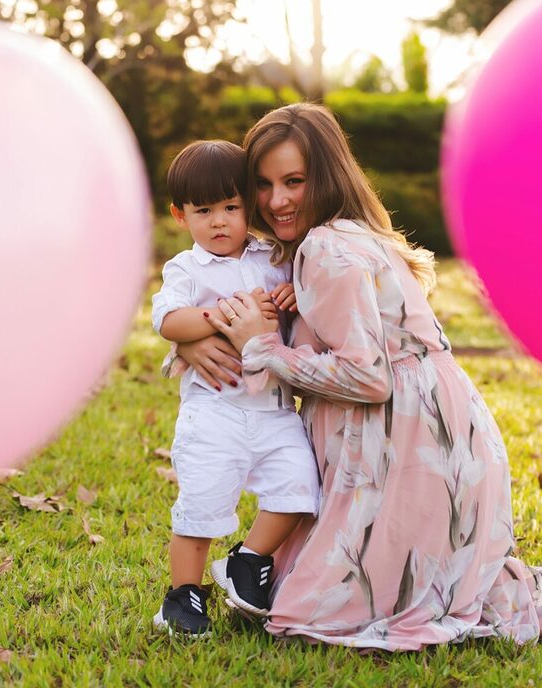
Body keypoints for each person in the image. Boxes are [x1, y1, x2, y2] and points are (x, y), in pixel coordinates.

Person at [181, 103, 542, 651]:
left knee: (304, 613)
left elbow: (369, 377)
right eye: (263, 185)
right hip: (445, 434)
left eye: (294, 181)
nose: (276, 201)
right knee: (290, 589)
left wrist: (263, 348)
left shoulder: (326, 247)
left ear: (326, 176)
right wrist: (191, 338)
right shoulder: (343, 236)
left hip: (408, 445)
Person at [151, 140, 320, 637]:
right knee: (202, 506)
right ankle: (183, 596)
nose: (219, 222)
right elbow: (168, 321)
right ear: (180, 215)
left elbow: (298, 301)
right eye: (204, 211)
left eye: (230, 207)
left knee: (299, 489)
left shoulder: (274, 258)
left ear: (249, 206)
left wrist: (291, 294)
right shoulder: (187, 269)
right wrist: (220, 315)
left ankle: (248, 559)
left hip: (274, 409)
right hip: (214, 411)